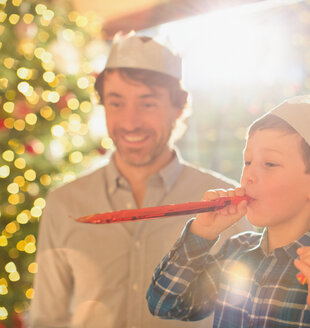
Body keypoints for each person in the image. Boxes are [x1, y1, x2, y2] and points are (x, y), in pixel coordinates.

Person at [30, 33, 252, 328]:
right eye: (116, 103)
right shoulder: (64, 204)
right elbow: (48, 319)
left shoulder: (228, 211)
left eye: (147, 104)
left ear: (178, 108)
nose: (130, 122)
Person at [147, 96, 310, 327]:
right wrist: (201, 234)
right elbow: (164, 304)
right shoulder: (235, 252)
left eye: (269, 164)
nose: (249, 175)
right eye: (248, 161)